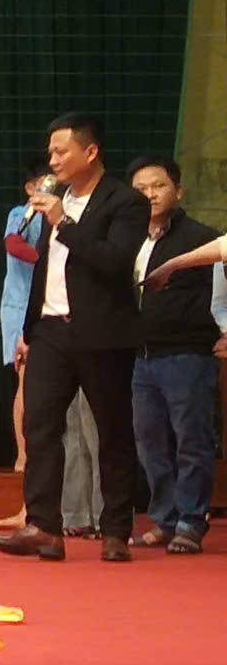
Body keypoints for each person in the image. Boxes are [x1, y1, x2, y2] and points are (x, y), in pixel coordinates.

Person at [0, 113, 148, 562]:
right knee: (39, 425)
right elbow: (41, 267)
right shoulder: (52, 199)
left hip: (102, 332)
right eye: (51, 152)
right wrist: (28, 329)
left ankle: (116, 529)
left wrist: (65, 224)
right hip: (50, 330)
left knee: (112, 431)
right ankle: (43, 526)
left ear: (90, 152)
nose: (52, 160)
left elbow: (115, 261)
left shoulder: (125, 202)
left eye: (61, 151)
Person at [0, 165, 107, 533]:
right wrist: (51, 254)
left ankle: (86, 512)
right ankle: (25, 469)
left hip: (72, 315)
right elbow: (14, 245)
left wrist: (66, 247)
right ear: (30, 187)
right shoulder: (22, 214)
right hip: (27, 310)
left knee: (83, 419)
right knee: (32, 392)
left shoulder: (75, 211)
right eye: (43, 181)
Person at [114, 155, 220, 554]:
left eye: (158, 186)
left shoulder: (202, 238)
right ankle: (165, 519)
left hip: (187, 353)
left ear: (178, 190)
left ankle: (191, 521)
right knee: (150, 443)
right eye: (141, 189)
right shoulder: (127, 239)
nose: (150, 195)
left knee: (192, 440)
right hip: (138, 357)